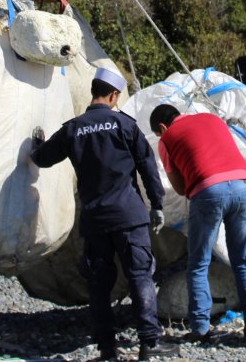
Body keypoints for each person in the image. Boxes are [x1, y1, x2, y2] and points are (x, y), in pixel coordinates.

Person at [32, 67, 179, 361]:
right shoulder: (125, 125)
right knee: (140, 276)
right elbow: (147, 167)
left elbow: (42, 159)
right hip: (129, 216)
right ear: (113, 95)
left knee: (99, 285)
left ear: (93, 93)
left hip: (95, 220)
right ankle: (149, 343)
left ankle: (107, 349)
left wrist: (37, 143)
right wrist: (157, 204)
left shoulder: (73, 129)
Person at [148, 105, 246, 341]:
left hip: (209, 190)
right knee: (242, 259)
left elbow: (180, 188)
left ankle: (200, 329)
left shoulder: (167, 139)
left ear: (162, 127)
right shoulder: (213, 118)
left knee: (199, 263)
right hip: (245, 184)